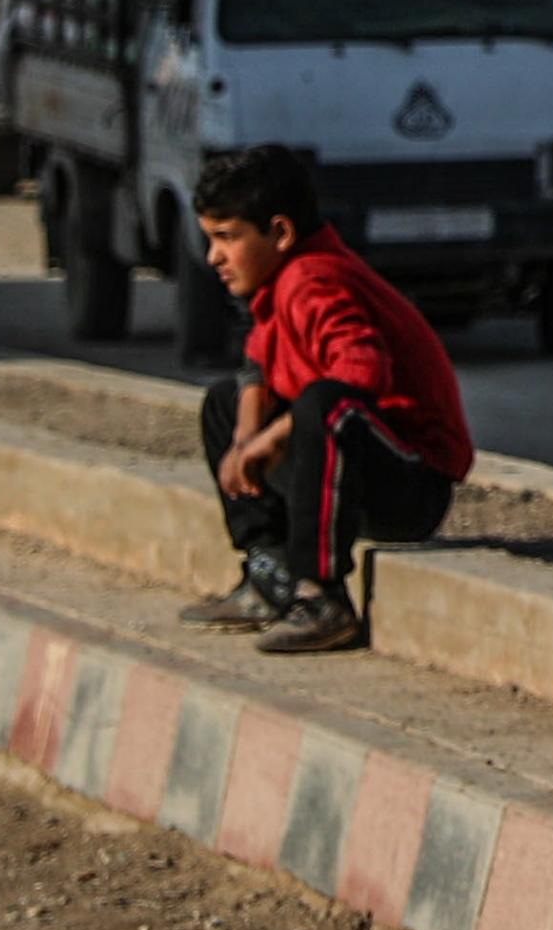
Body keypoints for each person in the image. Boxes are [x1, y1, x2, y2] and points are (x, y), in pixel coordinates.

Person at [179, 142, 478, 655]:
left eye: (227, 239)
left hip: (409, 484)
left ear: (280, 233)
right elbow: (257, 365)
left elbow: (362, 371)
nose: (215, 258)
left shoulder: (313, 280)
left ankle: (322, 597)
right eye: (211, 240)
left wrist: (274, 438)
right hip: (349, 475)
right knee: (224, 403)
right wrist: (246, 438)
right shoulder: (278, 284)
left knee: (325, 406)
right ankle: (268, 570)